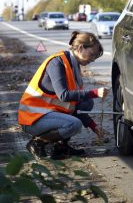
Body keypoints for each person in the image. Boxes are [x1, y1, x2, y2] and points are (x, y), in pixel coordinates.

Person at [18, 31, 109, 159]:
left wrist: (93, 126)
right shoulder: (57, 62)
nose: (93, 59)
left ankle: (60, 148)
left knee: (86, 103)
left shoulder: (73, 65)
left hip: (46, 113)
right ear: (81, 47)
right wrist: (95, 93)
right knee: (74, 124)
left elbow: (74, 105)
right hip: (32, 118)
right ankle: (38, 141)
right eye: (91, 54)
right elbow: (64, 96)